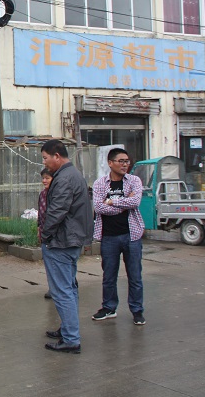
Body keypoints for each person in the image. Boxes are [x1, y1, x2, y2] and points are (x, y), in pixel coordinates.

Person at [40, 139, 93, 354]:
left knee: (62, 291)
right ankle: (67, 330)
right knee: (69, 288)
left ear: (57, 156)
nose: (44, 162)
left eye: (45, 158)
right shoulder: (73, 174)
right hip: (71, 240)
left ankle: (71, 338)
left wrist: (45, 235)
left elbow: (57, 211)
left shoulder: (64, 179)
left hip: (61, 242)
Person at [91, 148, 146, 325]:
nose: (125, 165)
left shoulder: (134, 180)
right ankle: (109, 307)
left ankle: (137, 310)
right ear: (110, 163)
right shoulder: (100, 183)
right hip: (109, 237)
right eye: (121, 161)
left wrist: (112, 201)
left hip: (132, 235)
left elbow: (135, 201)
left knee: (135, 276)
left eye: (127, 161)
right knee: (109, 276)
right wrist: (123, 206)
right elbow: (98, 207)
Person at [37, 167, 53, 300]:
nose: (44, 181)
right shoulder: (42, 194)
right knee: (48, 262)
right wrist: (39, 228)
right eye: (43, 178)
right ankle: (52, 288)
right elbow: (40, 212)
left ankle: (69, 285)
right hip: (44, 232)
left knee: (58, 263)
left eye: (47, 178)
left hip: (55, 234)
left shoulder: (56, 194)